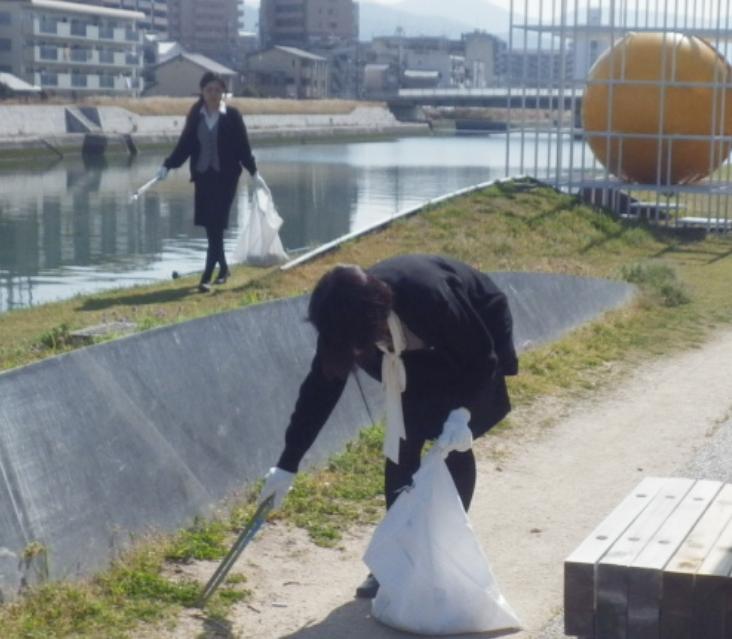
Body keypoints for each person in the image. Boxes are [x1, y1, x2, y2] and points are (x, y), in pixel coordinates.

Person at [256, 254, 519, 599]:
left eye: (356, 343)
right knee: (403, 442)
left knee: (451, 443)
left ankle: (445, 553)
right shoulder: (343, 319)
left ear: (374, 319)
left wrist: (464, 413)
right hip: (405, 356)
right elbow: (320, 389)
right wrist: (288, 463)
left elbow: (480, 358)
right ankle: (395, 558)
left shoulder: (428, 296)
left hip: (470, 340)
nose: (350, 349)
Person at [156, 72, 257, 292]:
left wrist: (254, 172)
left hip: (226, 177)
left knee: (217, 225)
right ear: (202, 91)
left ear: (223, 92)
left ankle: (206, 277)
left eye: (217, 90)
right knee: (212, 228)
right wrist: (167, 165)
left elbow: (243, 147)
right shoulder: (196, 116)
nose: (213, 94)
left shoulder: (232, 115)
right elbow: (185, 146)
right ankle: (223, 269)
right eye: (209, 90)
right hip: (204, 177)